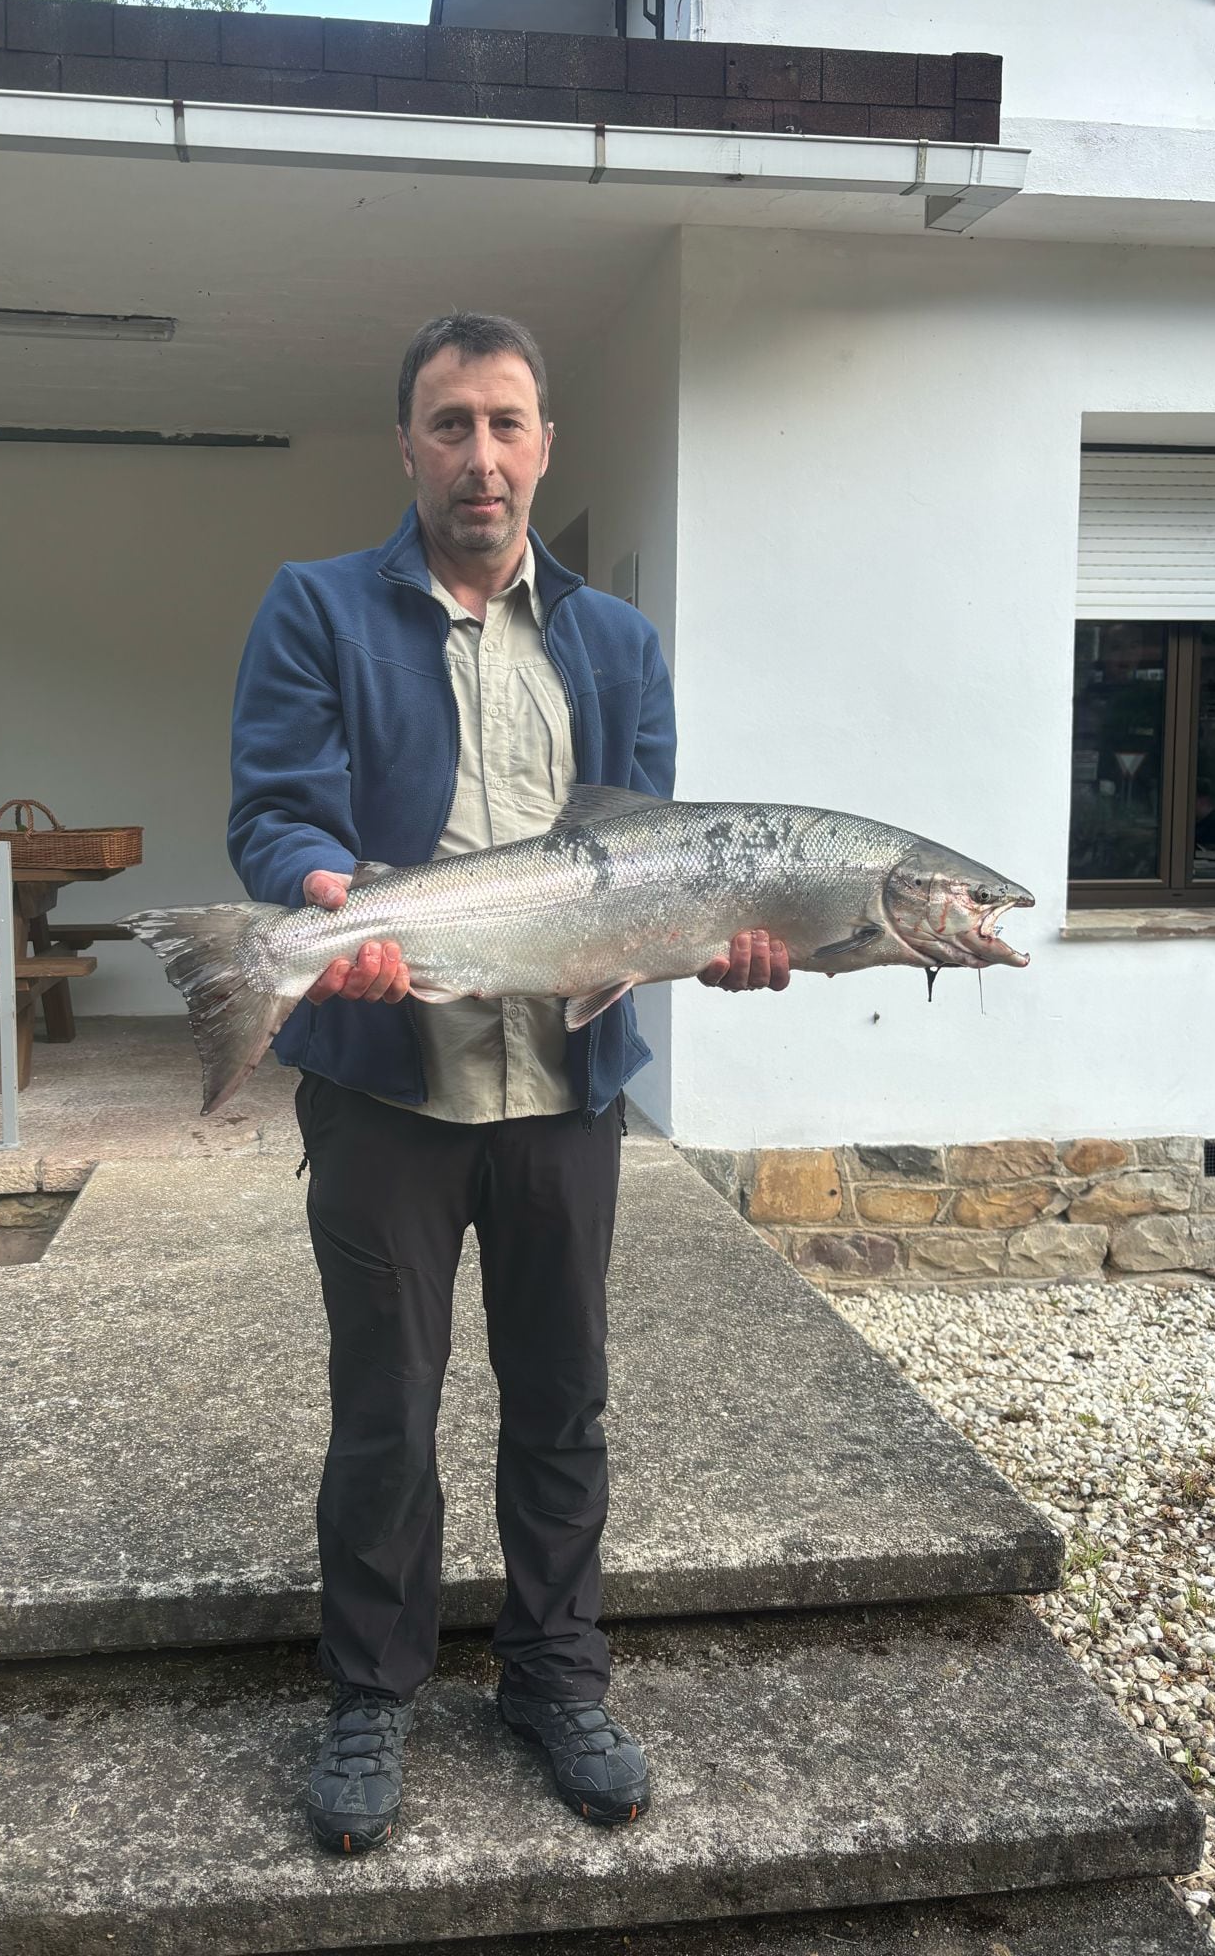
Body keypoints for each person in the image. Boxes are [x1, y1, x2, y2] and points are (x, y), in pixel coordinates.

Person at [227, 311, 790, 1855]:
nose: (482, 455)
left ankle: (553, 1678)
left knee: (561, 1405)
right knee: (384, 1414)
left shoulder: (617, 645)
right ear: (405, 443)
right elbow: (275, 812)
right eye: (451, 422)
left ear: (547, 446)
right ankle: (372, 1693)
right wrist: (323, 894)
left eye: (508, 424)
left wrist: (717, 946)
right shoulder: (317, 611)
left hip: (565, 1090)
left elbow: (668, 863)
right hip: (382, 1082)